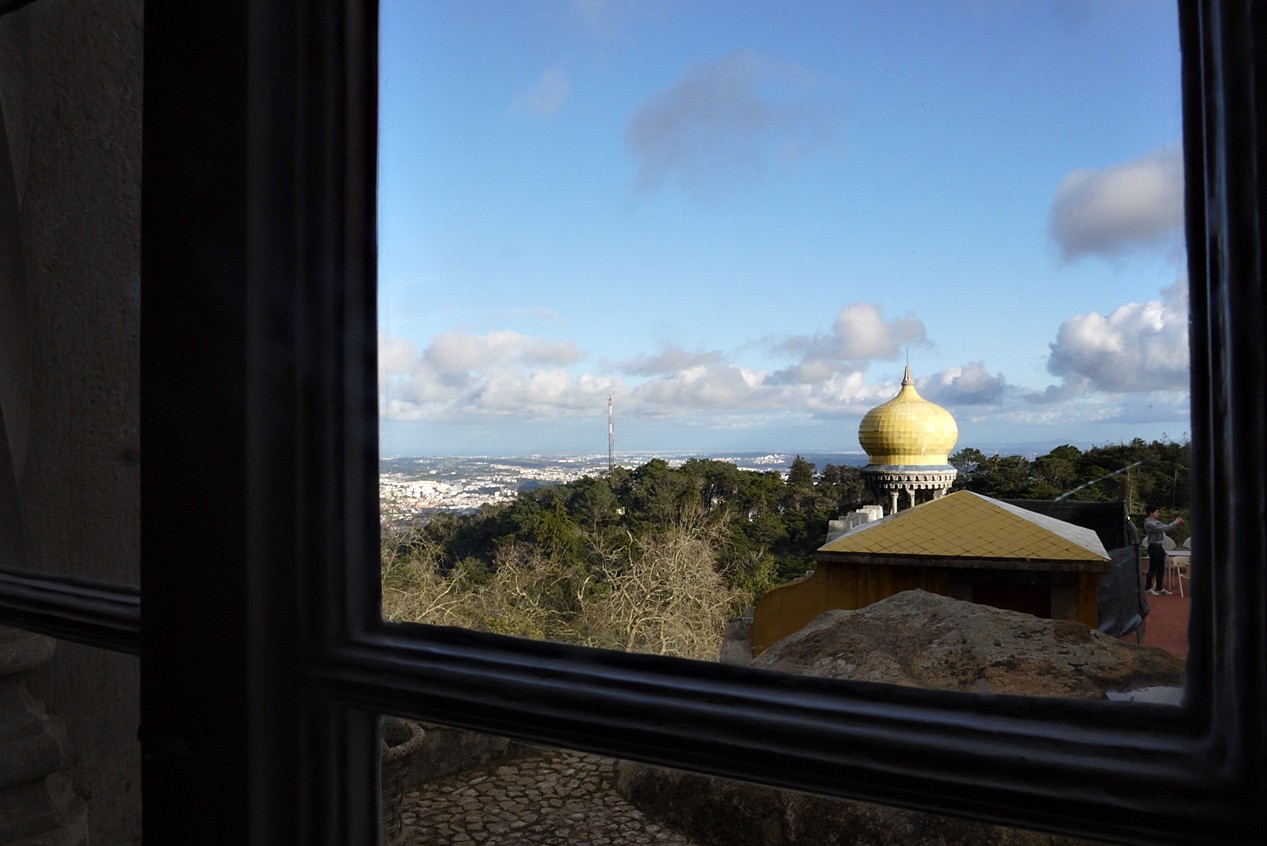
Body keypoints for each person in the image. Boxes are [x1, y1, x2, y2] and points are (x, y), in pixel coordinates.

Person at [1143, 505, 1184, 596]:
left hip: (1159, 546)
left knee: (1161, 568)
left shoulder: (1157, 522)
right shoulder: (1148, 523)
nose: (1158, 513)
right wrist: (1175, 522)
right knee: (1153, 568)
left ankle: (1159, 587)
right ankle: (1148, 587)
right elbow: (1162, 529)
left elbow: (1167, 527)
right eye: (1156, 511)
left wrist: (1177, 524)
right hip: (1153, 546)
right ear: (1151, 512)